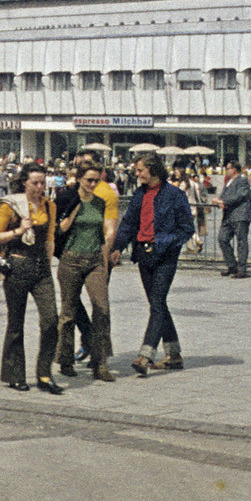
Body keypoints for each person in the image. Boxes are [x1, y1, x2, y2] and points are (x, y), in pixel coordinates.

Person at [108, 155, 196, 373]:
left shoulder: (175, 195)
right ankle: (173, 354)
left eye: (140, 170)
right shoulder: (140, 194)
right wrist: (118, 246)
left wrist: (165, 243)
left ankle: (145, 354)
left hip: (165, 256)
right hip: (143, 253)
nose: (136, 174)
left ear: (153, 169)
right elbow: (129, 223)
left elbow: (187, 228)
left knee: (157, 301)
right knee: (158, 303)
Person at [0, 163, 60, 394]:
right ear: (24, 183)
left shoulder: (50, 206)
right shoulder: (11, 206)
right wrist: (18, 231)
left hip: (40, 268)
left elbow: (49, 239)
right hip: (18, 266)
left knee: (51, 320)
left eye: (43, 183)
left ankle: (44, 372)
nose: (40, 187)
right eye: (35, 183)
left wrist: (48, 265)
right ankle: (15, 373)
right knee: (16, 323)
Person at [53, 163, 118, 381]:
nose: (92, 184)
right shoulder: (69, 199)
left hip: (95, 259)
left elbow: (107, 231)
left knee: (102, 309)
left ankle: (100, 362)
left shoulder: (100, 203)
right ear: (79, 179)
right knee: (68, 312)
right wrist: (72, 213)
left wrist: (106, 254)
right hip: (70, 259)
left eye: (96, 180)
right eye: (89, 180)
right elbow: (58, 229)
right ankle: (65, 359)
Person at [215, 161, 251, 278]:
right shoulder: (228, 182)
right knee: (222, 239)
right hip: (228, 215)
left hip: (240, 215)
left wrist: (223, 202)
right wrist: (220, 202)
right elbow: (225, 196)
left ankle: (242, 269)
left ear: (234, 169)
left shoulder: (242, 180)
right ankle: (232, 265)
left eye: (228, 168)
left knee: (241, 242)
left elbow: (240, 196)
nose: (226, 170)